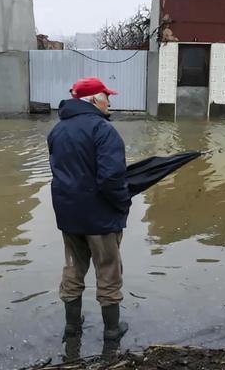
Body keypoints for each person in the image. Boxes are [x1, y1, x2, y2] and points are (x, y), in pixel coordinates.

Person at [47, 77, 132, 359]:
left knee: (73, 267)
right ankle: (111, 331)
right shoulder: (104, 131)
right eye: (107, 97)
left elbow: (60, 173)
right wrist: (123, 204)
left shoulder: (57, 131)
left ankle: (72, 328)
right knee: (108, 271)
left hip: (69, 216)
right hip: (100, 218)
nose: (110, 102)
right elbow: (111, 178)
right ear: (93, 101)